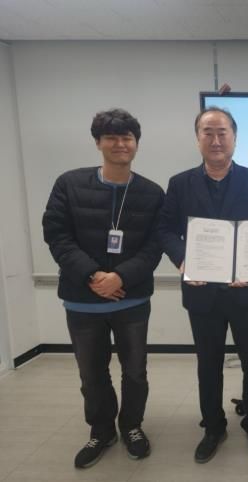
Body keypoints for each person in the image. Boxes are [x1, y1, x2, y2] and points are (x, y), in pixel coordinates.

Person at [42, 108, 164, 468]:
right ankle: (101, 430)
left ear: (136, 143)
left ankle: (132, 427)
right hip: (82, 300)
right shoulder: (69, 184)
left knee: (135, 371)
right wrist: (93, 276)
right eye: (111, 137)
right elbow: (57, 235)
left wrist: (120, 277)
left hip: (132, 299)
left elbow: (155, 245)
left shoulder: (151, 193)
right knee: (91, 374)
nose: (120, 144)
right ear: (98, 143)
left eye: (127, 137)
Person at [157, 106, 248, 463]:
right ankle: (213, 427)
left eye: (222, 132)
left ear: (234, 138)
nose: (215, 139)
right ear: (197, 139)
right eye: (207, 132)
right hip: (202, 291)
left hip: (247, 290)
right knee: (208, 364)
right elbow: (165, 229)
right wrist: (184, 260)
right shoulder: (180, 183)